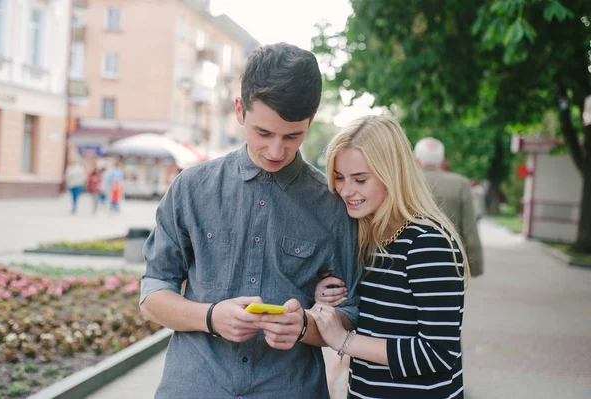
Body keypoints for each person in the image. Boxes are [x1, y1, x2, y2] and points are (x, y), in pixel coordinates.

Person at [139, 42, 360, 399]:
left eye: (293, 136)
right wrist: (211, 316)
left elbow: (351, 312)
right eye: (264, 133)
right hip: (194, 385)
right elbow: (152, 294)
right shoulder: (191, 188)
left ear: (312, 119)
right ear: (240, 110)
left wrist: (305, 326)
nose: (276, 151)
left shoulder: (333, 204)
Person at [311, 115, 470, 399]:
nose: (346, 191)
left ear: (392, 174)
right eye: (339, 178)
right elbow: (376, 317)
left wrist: (344, 341)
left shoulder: (427, 243)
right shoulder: (369, 237)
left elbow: (438, 353)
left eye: (360, 179)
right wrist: (329, 298)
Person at [413, 137, 484, 277]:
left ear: (417, 157)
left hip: (412, 257)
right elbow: (469, 228)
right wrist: (475, 266)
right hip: (451, 260)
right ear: (441, 159)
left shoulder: (408, 181)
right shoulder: (460, 183)